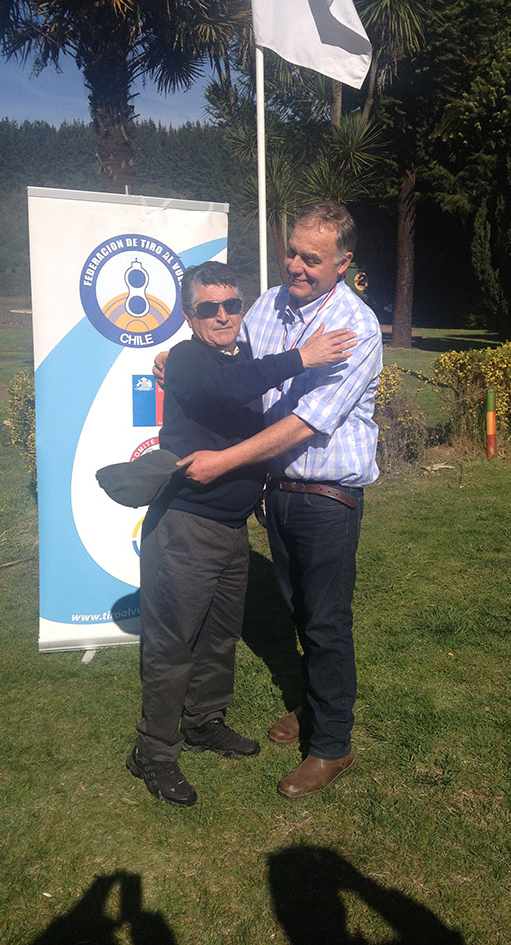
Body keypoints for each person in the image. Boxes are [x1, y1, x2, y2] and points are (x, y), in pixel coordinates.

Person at [163, 202, 383, 799]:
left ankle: (332, 743)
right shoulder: (268, 304)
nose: (296, 266)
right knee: (297, 613)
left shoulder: (356, 327)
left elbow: (308, 422)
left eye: (312, 258)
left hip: (327, 497)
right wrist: (178, 363)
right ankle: (313, 705)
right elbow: (231, 361)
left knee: (327, 622)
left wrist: (225, 461)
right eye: (291, 252)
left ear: (342, 263)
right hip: (278, 492)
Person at [127, 260, 356, 807]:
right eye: (210, 308)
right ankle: (153, 751)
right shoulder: (188, 359)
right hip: (185, 527)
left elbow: (252, 389)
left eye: (233, 305)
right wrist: (304, 356)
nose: (224, 316)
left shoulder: (238, 359)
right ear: (190, 317)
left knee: (219, 637)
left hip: (231, 530)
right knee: (173, 645)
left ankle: (203, 722)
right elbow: (231, 388)